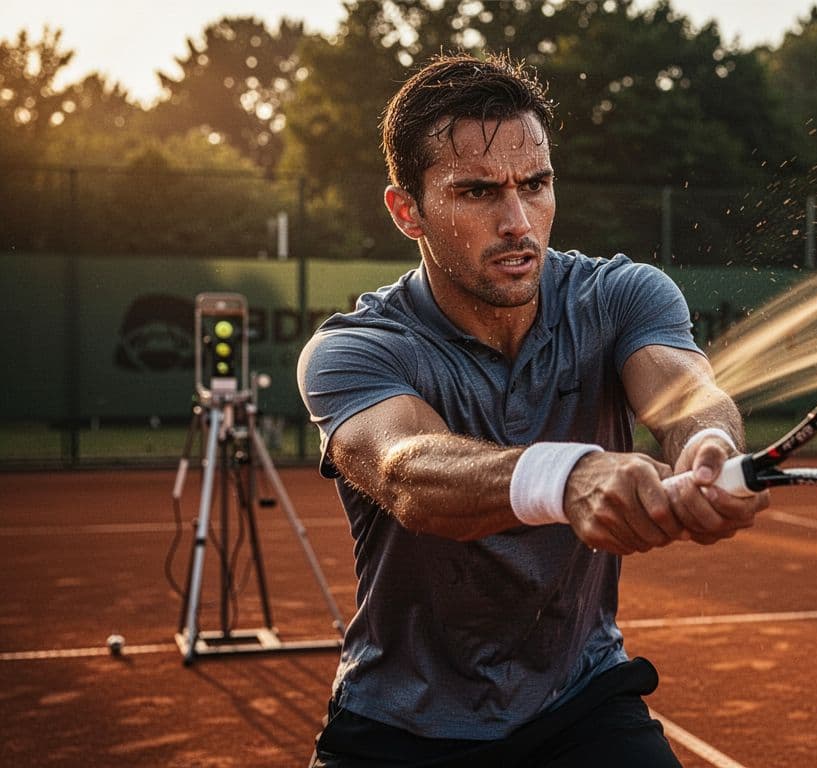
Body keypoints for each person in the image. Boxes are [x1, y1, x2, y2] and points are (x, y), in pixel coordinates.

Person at [297, 51, 768, 767]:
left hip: (581, 700)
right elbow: (407, 471)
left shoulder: (621, 294)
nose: (519, 221)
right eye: (478, 192)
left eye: (536, 184)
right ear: (407, 211)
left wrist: (711, 447)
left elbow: (689, 395)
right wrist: (569, 477)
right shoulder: (355, 349)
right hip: (400, 725)